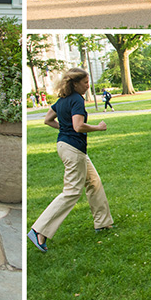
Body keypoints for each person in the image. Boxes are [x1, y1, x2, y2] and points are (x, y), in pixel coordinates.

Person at [28, 68, 113, 252]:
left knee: (93, 182)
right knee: (72, 192)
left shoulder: (62, 100)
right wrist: (98, 128)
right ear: (75, 84)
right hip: (73, 149)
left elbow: (48, 120)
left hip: (66, 146)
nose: (87, 85)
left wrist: (63, 129)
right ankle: (38, 230)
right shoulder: (76, 100)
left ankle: (102, 223)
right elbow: (78, 126)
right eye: (85, 82)